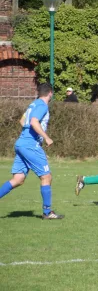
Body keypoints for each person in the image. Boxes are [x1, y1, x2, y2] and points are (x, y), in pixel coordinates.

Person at [0, 83, 64, 219]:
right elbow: (34, 122)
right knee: (46, 176)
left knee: (18, 179)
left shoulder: (33, 104)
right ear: (50, 93)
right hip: (30, 145)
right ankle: (47, 213)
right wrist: (45, 138)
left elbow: (23, 121)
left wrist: (29, 134)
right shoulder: (42, 105)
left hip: (21, 143)